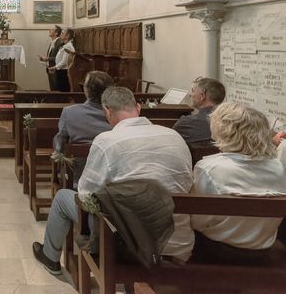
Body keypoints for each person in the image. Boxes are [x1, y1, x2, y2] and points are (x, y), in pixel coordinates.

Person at [33, 87, 194, 275]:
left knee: (62, 197)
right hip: (177, 242)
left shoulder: (107, 140)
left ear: (107, 111)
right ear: (138, 107)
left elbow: (86, 196)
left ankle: (50, 257)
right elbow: (187, 183)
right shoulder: (174, 137)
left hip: (124, 245)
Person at [191, 102, 286, 264]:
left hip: (216, 251)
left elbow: (197, 221)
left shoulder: (208, 168)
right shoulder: (278, 167)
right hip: (263, 251)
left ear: (223, 132)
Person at [173, 77, 225, 144]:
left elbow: (172, 144)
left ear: (202, 95)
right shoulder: (232, 122)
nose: (190, 95)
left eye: (193, 91)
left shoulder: (185, 123)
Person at [48, 28, 75, 92]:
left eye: (62, 33)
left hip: (64, 72)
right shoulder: (65, 45)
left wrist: (54, 67)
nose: (60, 35)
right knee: (60, 90)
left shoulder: (68, 46)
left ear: (67, 36)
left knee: (63, 91)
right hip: (60, 71)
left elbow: (64, 62)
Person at [38, 25, 63, 91]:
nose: (49, 30)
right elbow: (52, 55)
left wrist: (46, 59)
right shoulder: (53, 42)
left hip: (55, 68)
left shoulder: (59, 42)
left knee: (56, 89)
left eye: (52, 30)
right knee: (53, 88)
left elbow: (59, 58)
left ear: (56, 33)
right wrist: (44, 59)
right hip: (50, 67)